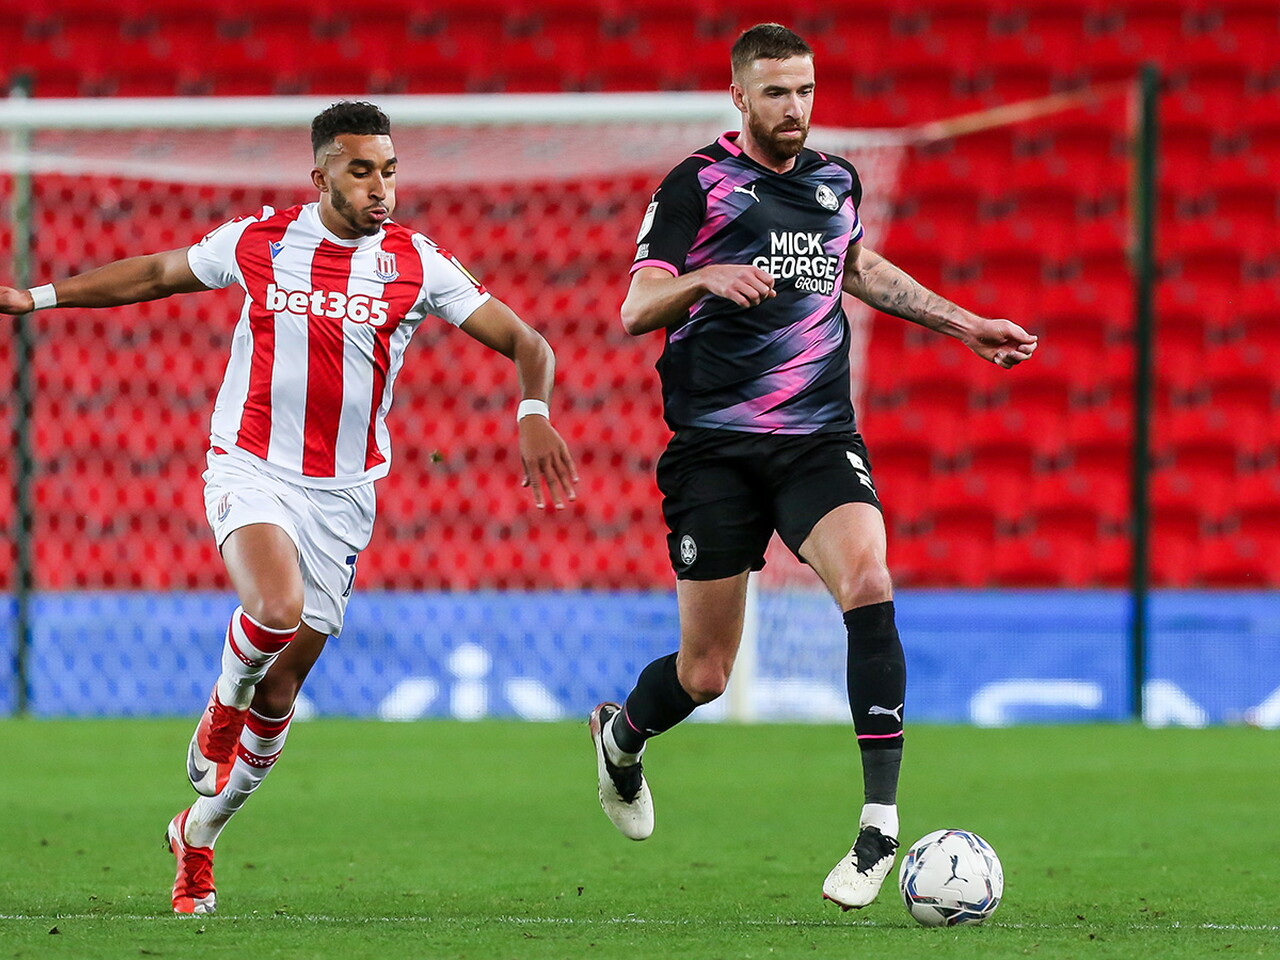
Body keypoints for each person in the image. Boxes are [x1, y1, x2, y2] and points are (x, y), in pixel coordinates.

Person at [0, 101, 578, 915]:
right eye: (360, 171)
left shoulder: (416, 263)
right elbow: (159, 273)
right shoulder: (260, 241)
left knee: (281, 696)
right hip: (251, 466)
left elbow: (529, 343)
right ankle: (220, 708)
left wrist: (533, 411)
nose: (380, 188)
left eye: (389, 171)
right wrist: (37, 297)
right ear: (320, 176)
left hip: (342, 497)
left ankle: (198, 833)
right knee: (273, 609)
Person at [588, 24, 1037, 910]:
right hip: (714, 450)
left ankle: (878, 827)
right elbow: (638, 306)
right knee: (706, 672)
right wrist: (706, 278)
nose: (794, 107)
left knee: (869, 579)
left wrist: (964, 324)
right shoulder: (696, 184)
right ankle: (621, 740)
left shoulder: (837, 181)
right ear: (739, 97)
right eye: (776, 92)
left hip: (817, 440)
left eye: (805, 90)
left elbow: (855, 265)